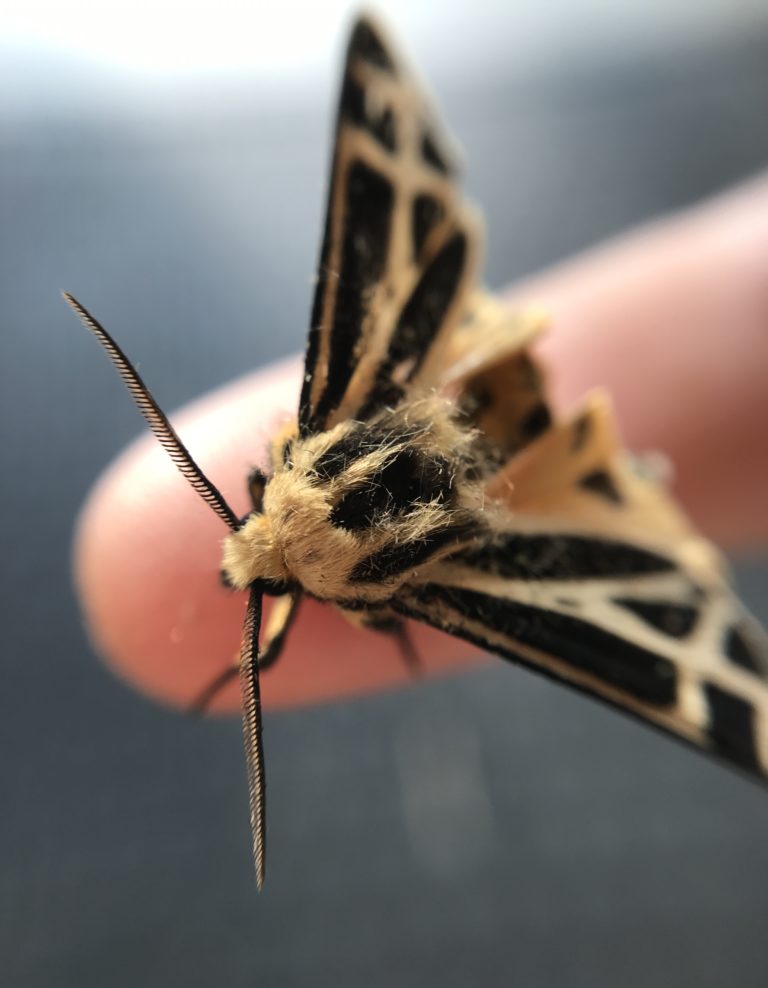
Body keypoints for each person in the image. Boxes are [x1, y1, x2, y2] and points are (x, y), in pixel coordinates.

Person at [73, 176, 768, 713]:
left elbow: (361, 616)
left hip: (517, 488)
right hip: (455, 383)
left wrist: (253, 665)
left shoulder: (378, 588)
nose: (250, 544)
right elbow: (283, 454)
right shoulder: (306, 449)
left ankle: (613, 491)